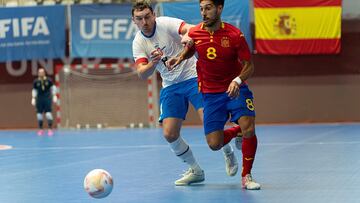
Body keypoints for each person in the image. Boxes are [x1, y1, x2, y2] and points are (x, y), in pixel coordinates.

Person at [131, 0, 239, 186]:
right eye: (139, 19)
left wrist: (187, 37)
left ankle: (227, 151)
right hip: (170, 86)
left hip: (193, 77)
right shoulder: (138, 42)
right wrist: (153, 63)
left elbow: (190, 28)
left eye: (147, 17)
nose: (145, 22)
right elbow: (142, 73)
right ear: (134, 21)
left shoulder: (165, 23)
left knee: (209, 122)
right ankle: (195, 170)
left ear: (153, 15)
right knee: (169, 134)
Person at [167, 0, 261, 190]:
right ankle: (237, 131)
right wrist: (179, 57)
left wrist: (237, 81)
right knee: (214, 144)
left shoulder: (235, 35)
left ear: (219, 8)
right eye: (201, 9)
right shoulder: (195, 33)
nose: (204, 13)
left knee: (249, 128)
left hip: (235, 89)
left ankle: (246, 175)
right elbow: (191, 49)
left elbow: (249, 66)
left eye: (208, 8)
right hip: (210, 94)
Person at [31, 68, 57, 136]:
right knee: (39, 115)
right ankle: (40, 129)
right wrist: (33, 98)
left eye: (42, 72)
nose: (41, 73)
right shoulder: (36, 81)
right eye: (40, 72)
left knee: (48, 115)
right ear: (38, 73)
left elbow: (53, 87)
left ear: (44, 73)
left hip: (47, 99)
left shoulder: (49, 80)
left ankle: (50, 129)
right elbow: (34, 90)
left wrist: (54, 95)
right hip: (39, 99)